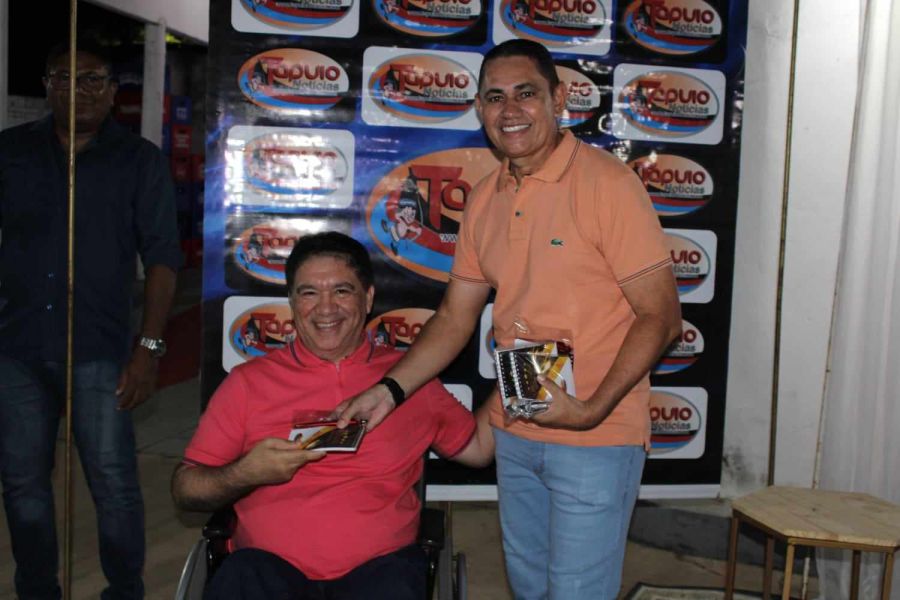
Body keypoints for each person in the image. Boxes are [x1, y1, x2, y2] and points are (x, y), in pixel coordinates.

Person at [337, 39, 682, 599]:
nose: (510, 110)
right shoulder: (484, 198)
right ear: (479, 108)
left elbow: (661, 317)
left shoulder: (608, 185)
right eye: (495, 97)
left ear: (558, 100)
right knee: (528, 586)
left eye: (526, 94)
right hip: (517, 426)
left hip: (597, 436)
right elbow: (455, 317)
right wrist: (389, 391)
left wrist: (591, 410)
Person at [171, 232, 494, 600]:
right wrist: (247, 472)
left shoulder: (410, 379)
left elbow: (480, 448)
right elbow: (185, 489)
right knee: (242, 577)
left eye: (342, 291)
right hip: (267, 570)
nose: (326, 309)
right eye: (309, 293)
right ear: (292, 302)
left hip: (381, 571)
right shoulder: (248, 384)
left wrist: (523, 373)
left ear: (368, 298)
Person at [0, 42, 181, 600]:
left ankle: (124, 590)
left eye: (92, 79)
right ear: (45, 85)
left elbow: (163, 258)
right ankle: (36, 590)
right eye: (63, 77)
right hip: (18, 346)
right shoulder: (10, 152)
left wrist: (148, 349)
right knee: (22, 483)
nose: (77, 90)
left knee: (113, 483)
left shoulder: (140, 160)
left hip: (101, 349)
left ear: (112, 90)